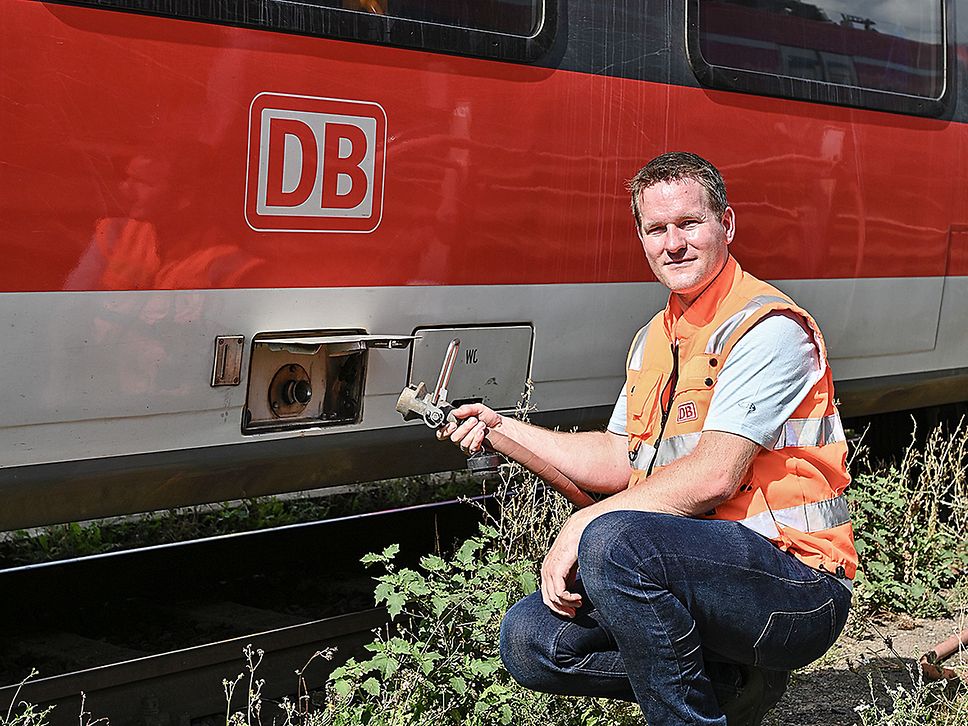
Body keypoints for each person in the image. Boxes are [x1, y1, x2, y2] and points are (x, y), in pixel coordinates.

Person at [437, 152, 856, 725]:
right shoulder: (654, 340)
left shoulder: (769, 327)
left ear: (726, 225)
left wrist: (584, 522)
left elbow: (715, 473)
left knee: (614, 542)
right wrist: (501, 428)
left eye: (689, 224)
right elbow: (619, 456)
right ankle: (730, 681)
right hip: (699, 570)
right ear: (641, 238)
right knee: (530, 638)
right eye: (656, 229)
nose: (673, 243)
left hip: (796, 586)